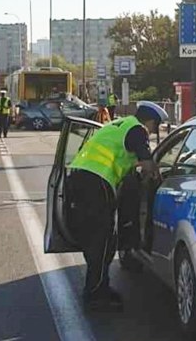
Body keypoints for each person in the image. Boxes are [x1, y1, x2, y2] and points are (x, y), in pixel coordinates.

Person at [66, 101, 169, 311]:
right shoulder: (137, 130)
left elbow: (127, 160)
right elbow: (147, 163)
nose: (152, 132)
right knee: (102, 240)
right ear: (150, 121)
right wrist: (156, 176)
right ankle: (95, 294)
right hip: (97, 181)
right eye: (155, 127)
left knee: (99, 238)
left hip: (79, 177)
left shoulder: (120, 124)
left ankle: (100, 287)